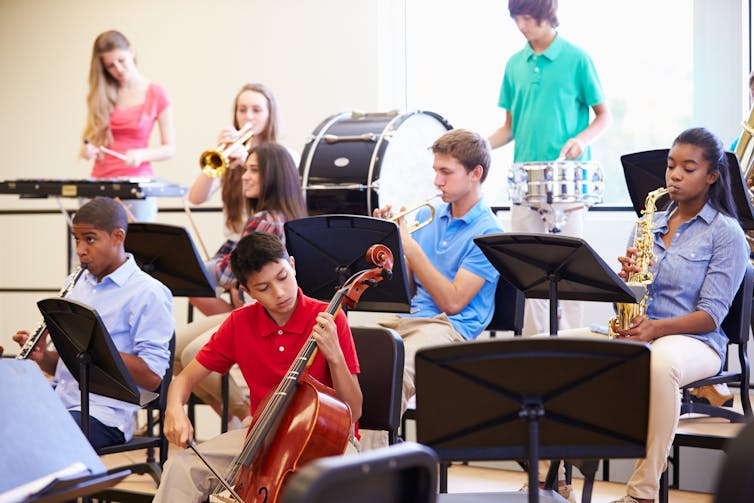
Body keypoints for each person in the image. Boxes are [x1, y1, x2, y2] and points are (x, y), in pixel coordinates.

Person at [152, 231, 362, 503]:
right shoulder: (240, 323)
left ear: (293, 266)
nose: (279, 292)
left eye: (283, 277)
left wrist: (335, 356)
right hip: (262, 436)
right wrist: (174, 409)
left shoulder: (328, 318)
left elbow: (355, 410)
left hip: (329, 440)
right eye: (263, 288)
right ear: (246, 291)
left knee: (332, 487)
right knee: (181, 467)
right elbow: (184, 379)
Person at [604, 127, 749, 503]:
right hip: (647, 333)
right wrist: (625, 286)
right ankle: (550, 479)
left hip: (697, 341)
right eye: (671, 167)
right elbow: (632, 296)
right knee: (565, 349)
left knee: (660, 363)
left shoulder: (726, 233)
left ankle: (642, 492)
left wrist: (655, 329)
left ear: (712, 175)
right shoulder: (647, 223)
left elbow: (711, 316)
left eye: (688, 168)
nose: (675, 176)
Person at [361, 128, 503, 449]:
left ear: (475, 174)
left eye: (446, 172)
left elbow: (452, 302)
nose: (437, 181)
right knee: (345, 360)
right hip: (410, 319)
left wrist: (410, 248)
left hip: (450, 329)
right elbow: (408, 288)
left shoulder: (488, 233)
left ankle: (364, 474)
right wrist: (391, 243)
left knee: (387, 377)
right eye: (436, 172)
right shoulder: (433, 217)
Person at [488, 0, 611, 337]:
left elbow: (604, 115)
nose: (522, 25)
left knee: (572, 271)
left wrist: (582, 140)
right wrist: (481, 145)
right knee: (529, 273)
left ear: (547, 16)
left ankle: (575, 346)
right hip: (525, 185)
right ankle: (534, 349)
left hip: (567, 184)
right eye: (517, 18)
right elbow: (509, 127)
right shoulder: (515, 64)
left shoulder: (577, 58)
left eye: (529, 18)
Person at [12, 197, 174, 449]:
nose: (80, 250)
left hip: (105, 415)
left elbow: (152, 377)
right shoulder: (75, 283)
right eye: (77, 239)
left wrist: (98, 352)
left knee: (37, 439)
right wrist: (44, 357)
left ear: (118, 237)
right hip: (60, 401)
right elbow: (76, 367)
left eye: (90, 239)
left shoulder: (147, 292)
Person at [174, 142, 307, 426]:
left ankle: (247, 414)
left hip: (262, 314)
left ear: (274, 177)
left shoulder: (266, 220)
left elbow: (224, 271)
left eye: (254, 171)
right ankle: (237, 419)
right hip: (248, 310)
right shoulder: (273, 215)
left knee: (188, 353)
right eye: (245, 169)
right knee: (172, 349)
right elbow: (230, 259)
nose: (245, 176)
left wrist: (190, 268)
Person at [187, 83, 281, 291]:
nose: (248, 117)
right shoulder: (230, 156)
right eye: (242, 110)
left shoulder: (282, 156)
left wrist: (246, 160)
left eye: (256, 110)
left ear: (269, 115)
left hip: (263, 246)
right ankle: (231, 320)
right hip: (233, 245)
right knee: (191, 283)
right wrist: (219, 154)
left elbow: (277, 202)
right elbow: (195, 197)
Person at [80, 30, 176, 222]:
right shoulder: (102, 95)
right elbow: (92, 140)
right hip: (101, 180)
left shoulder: (156, 92)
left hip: (136, 182)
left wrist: (141, 155)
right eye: (110, 66)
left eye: (121, 60)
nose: (118, 69)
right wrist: (87, 150)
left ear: (131, 52)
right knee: (92, 247)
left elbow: (170, 149)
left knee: (139, 244)